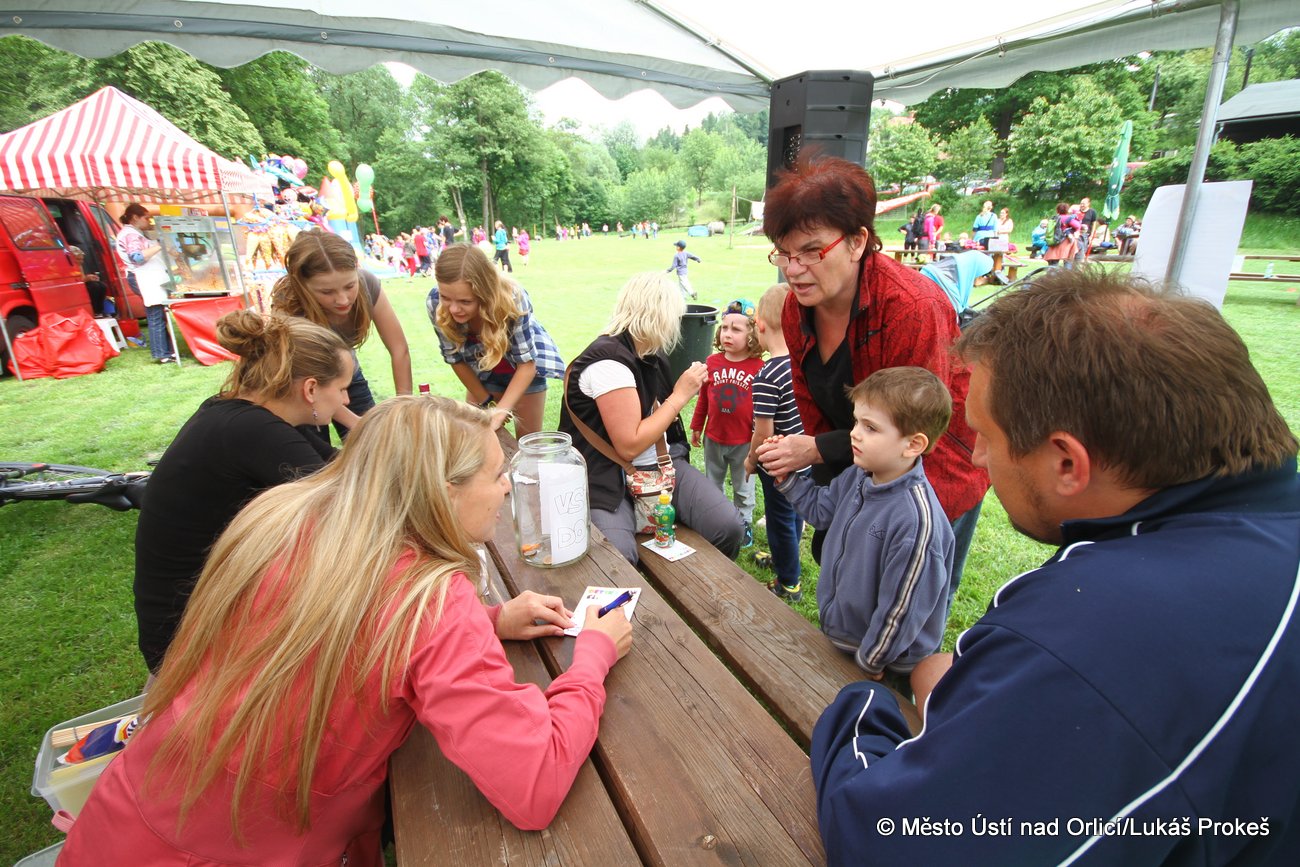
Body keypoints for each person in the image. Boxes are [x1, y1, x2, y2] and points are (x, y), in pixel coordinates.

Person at [810, 268, 1300, 865]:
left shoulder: (1088, 631)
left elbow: (890, 841)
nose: (977, 457)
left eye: (985, 435)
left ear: (1067, 463)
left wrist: (861, 708)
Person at [61, 396, 632, 865]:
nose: (507, 487)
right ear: (444, 491)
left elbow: (340, 630)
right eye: (497, 474)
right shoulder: (431, 598)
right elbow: (532, 783)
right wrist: (591, 658)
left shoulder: (283, 519)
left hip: (122, 823)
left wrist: (491, 620)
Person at [755, 156, 988, 592]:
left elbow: (913, 429)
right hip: (863, 464)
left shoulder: (912, 308)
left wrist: (817, 450)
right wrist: (837, 495)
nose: (793, 269)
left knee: (909, 594)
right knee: (848, 578)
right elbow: (809, 402)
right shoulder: (793, 308)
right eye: (784, 253)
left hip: (932, 470)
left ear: (857, 242)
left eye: (811, 251)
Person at [133, 310, 348, 674]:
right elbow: (348, 507)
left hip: (197, 618)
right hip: (187, 646)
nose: (345, 401)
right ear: (311, 389)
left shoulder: (244, 414)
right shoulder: (253, 431)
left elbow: (344, 467)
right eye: (341, 389)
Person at [772, 366, 954, 683]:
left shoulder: (916, 524)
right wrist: (788, 480)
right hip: (848, 642)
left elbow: (901, 610)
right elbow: (821, 511)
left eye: (870, 427)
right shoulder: (860, 475)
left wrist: (870, 661)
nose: (854, 433)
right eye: (857, 421)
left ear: (913, 444)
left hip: (885, 665)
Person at [560, 272, 745, 565]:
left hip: (662, 466)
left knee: (728, 527)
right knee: (619, 560)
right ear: (660, 316)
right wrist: (680, 395)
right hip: (607, 478)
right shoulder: (608, 363)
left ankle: (698, 583)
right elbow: (629, 445)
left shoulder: (647, 353)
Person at [272, 229, 412, 441]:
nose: (343, 300)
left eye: (349, 286)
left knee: (375, 446)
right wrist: (356, 423)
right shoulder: (288, 306)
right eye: (327, 292)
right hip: (301, 387)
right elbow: (301, 378)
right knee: (317, 455)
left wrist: (403, 407)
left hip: (347, 375)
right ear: (302, 285)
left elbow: (399, 349)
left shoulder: (367, 284)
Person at [427, 244, 563, 437]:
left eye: (465, 301)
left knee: (527, 443)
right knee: (477, 438)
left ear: (485, 294)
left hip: (523, 372)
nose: (453, 309)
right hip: (482, 373)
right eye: (446, 297)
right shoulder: (435, 303)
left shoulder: (512, 298)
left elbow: (527, 364)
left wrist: (500, 412)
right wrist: (486, 401)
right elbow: (454, 358)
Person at [744, 284, 808, 601]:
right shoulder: (802, 362)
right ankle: (786, 560)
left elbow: (764, 432)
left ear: (760, 325)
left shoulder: (767, 375)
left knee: (780, 520)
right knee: (795, 512)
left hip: (778, 464)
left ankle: (788, 582)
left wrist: (751, 459)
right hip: (804, 458)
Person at [690, 298, 764, 547]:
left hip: (744, 441)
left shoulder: (759, 367)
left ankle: (744, 524)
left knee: (743, 487)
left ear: (752, 335)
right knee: (713, 483)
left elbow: (763, 408)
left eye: (736, 329)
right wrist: (697, 426)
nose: (727, 334)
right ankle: (717, 520)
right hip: (714, 437)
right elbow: (704, 398)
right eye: (724, 327)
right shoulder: (712, 362)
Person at [115, 203, 174, 363]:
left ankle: (167, 351)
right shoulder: (130, 234)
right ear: (135, 217)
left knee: (158, 314)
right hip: (142, 278)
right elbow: (137, 257)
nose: (149, 221)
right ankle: (162, 354)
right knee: (155, 314)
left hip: (147, 277)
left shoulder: (134, 233)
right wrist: (159, 246)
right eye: (146, 218)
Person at [1044, 202, 1081, 268]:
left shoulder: (1054, 218)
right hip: (1066, 241)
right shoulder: (1068, 218)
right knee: (1068, 260)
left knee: (1053, 263)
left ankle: (1051, 274)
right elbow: (1077, 226)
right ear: (1067, 210)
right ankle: (1066, 274)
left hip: (1054, 241)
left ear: (1057, 210)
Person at [1074, 195, 1098, 262]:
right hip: (1077, 233)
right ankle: (1079, 260)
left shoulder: (1092, 212)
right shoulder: (1077, 212)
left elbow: (1094, 224)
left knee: (1084, 248)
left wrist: (1092, 234)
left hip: (1086, 233)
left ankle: (1082, 260)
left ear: (1088, 204)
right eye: (1081, 203)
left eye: (1083, 204)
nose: (1082, 205)